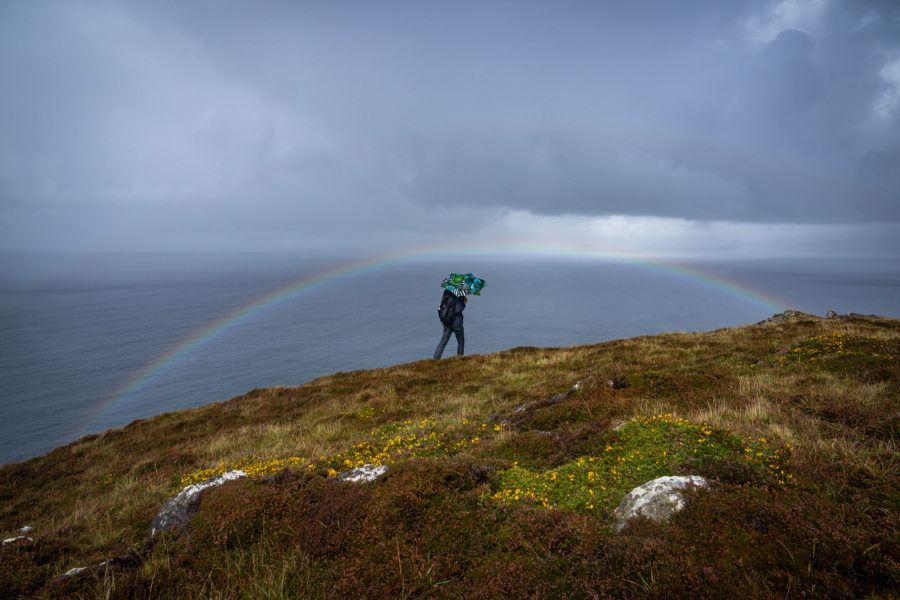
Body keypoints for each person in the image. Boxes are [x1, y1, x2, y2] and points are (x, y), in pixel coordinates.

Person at [433, 291, 467, 359]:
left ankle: (435, 359)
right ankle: (460, 360)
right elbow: (458, 309)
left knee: (443, 340)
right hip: (456, 322)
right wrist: (464, 302)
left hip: (447, 321)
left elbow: (442, 304)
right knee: (460, 340)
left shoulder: (446, 291)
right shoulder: (460, 293)